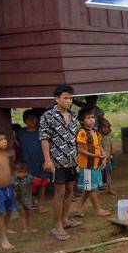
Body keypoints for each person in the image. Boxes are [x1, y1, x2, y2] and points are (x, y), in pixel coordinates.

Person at [40, 84, 83, 241]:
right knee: (59, 193)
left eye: (70, 98)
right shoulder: (48, 116)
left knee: (70, 191)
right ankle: (57, 226)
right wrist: (47, 160)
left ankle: (65, 219)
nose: (68, 101)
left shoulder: (74, 116)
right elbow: (44, 138)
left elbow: (73, 139)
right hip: (56, 161)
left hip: (72, 160)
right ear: (56, 99)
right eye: (65, 98)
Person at [74, 109, 110, 217]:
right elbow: (80, 150)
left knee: (88, 188)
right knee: (91, 188)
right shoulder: (81, 133)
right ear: (82, 121)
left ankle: (78, 208)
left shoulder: (95, 132)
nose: (91, 120)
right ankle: (98, 209)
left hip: (95, 164)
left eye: (92, 117)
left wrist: (103, 158)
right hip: (86, 166)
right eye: (88, 118)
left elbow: (99, 146)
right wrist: (95, 156)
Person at [17, 109, 51, 214]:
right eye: (28, 118)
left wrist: (47, 160)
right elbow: (17, 143)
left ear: (37, 119)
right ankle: (30, 204)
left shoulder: (42, 131)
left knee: (42, 183)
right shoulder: (20, 133)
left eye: (34, 118)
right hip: (27, 163)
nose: (31, 120)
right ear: (24, 120)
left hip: (41, 162)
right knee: (28, 185)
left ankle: (40, 205)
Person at [12, 159, 38, 233]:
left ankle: (29, 227)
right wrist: (13, 186)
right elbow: (9, 185)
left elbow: (34, 182)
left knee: (29, 213)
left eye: (24, 172)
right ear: (15, 172)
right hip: (17, 199)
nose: (22, 174)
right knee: (22, 212)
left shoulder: (29, 177)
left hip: (27, 198)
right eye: (19, 172)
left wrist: (36, 180)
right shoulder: (13, 178)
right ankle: (24, 228)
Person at [98, 118, 116, 195]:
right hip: (101, 159)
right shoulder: (98, 137)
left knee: (109, 173)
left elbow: (111, 146)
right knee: (100, 174)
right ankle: (98, 190)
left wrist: (111, 154)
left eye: (107, 127)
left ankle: (110, 189)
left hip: (108, 159)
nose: (105, 129)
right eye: (104, 127)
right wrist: (102, 158)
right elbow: (98, 147)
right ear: (100, 128)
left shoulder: (108, 136)